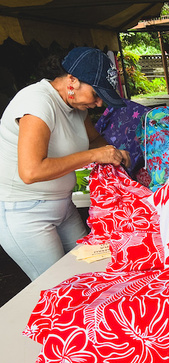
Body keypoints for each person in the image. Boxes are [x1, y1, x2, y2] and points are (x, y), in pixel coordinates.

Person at [0, 47, 131, 280]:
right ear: (72, 81)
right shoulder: (37, 104)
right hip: (25, 213)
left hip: (64, 206)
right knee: (60, 285)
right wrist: (94, 156)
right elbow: (31, 171)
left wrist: (114, 153)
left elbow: (94, 141)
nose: (99, 104)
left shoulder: (76, 106)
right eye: (96, 94)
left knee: (94, 266)